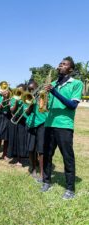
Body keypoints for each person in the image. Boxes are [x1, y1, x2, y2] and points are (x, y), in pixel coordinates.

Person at [41, 57, 83, 200]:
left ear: (70, 69)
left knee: (67, 157)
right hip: (49, 124)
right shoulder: (53, 83)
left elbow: (72, 105)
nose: (60, 65)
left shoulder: (76, 83)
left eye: (64, 64)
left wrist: (54, 92)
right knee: (47, 154)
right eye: (60, 64)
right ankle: (46, 181)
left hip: (64, 125)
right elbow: (47, 104)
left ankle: (70, 189)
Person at [8, 84, 28, 165]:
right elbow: (12, 110)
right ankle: (14, 157)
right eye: (18, 90)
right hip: (15, 119)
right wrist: (16, 101)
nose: (19, 92)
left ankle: (21, 159)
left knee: (21, 139)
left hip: (23, 120)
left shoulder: (26, 98)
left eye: (21, 90)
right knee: (14, 139)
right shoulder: (14, 98)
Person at [0, 89, 11, 160]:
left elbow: (12, 109)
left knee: (6, 138)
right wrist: (3, 99)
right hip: (1, 116)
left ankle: (4, 154)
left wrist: (10, 104)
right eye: (5, 92)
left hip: (8, 117)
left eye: (7, 92)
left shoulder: (11, 99)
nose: (6, 93)